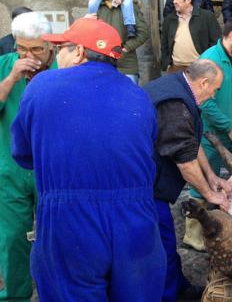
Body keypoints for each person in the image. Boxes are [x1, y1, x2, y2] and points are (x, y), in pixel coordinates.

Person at [11, 17, 165, 302]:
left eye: (62, 49)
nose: (57, 56)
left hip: (69, 220)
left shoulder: (42, 86)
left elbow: (22, 153)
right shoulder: (139, 95)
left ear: (79, 52)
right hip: (136, 220)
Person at [143, 59, 230, 302]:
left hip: (153, 179)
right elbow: (185, 161)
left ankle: (177, 285)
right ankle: (169, 295)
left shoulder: (180, 88)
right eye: (214, 89)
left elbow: (191, 142)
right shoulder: (174, 104)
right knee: (162, 244)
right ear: (203, 82)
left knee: (165, 240)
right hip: (146, 185)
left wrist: (211, 177)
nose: (213, 95)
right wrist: (211, 196)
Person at [182, 17, 232, 251]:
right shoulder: (208, 60)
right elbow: (204, 103)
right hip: (210, 135)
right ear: (231, 36)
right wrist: (229, 126)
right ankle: (194, 236)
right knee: (202, 184)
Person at [0, 12, 54, 302]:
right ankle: (14, 296)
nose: (28, 55)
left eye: (36, 49)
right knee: (11, 240)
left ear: (50, 47)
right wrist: (11, 78)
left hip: (52, 169)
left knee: (57, 239)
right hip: (10, 168)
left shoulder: (63, 66)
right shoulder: (4, 65)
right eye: (22, 48)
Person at [91, 0, 149, 84]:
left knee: (129, 100)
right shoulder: (97, 7)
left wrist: (125, 49)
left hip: (126, 67)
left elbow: (143, 32)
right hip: (102, 66)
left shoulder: (129, 6)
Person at [160, 0, 221, 72]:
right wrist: (167, 65)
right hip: (175, 69)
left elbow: (216, 43)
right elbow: (164, 45)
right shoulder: (169, 20)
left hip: (199, 68)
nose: (174, 1)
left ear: (188, 0)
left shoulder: (207, 17)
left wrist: (209, 63)